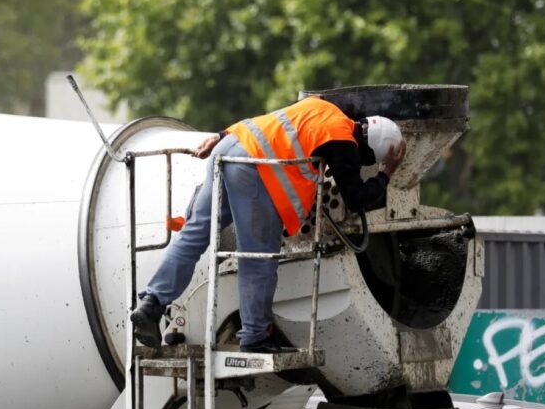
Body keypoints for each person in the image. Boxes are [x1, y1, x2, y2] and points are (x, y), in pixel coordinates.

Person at [131, 96, 406, 352]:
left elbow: (268, 121)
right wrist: (385, 174)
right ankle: (255, 336)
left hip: (230, 145)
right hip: (253, 168)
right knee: (258, 257)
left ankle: (152, 303)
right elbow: (356, 199)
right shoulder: (344, 142)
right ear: (370, 148)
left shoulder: (322, 107)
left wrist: (221, 135)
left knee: (194, 234)